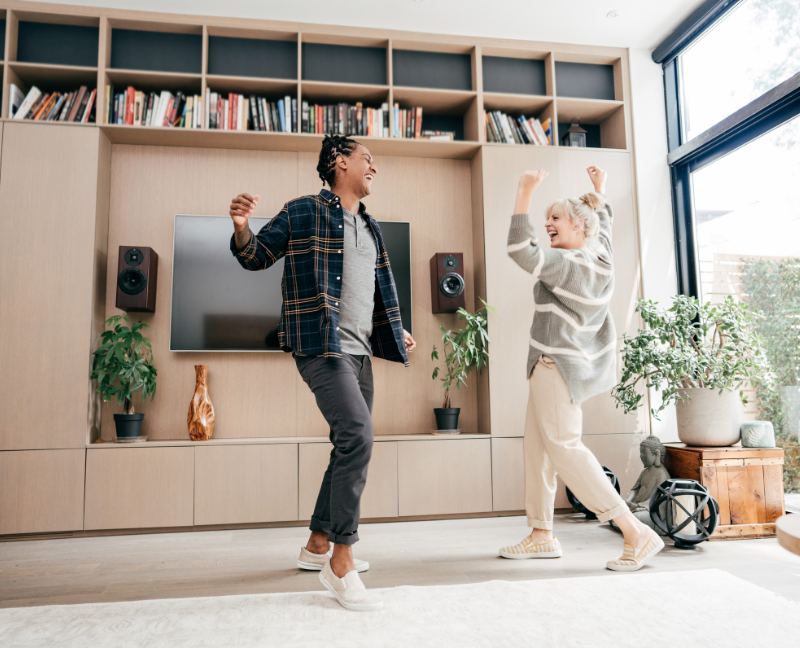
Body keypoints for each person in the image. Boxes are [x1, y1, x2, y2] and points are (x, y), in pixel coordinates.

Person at [229, 134, 416, 610]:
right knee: (359, 436)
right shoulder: (303, 211)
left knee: (346, 443)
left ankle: (316, 543)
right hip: (320, 347)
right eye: (366, 159)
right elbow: (256, 257)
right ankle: (341, 562)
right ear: (339, 161)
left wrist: (396, 330)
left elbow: (370, 295)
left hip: (359, 354)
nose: (373, 167)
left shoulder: (370, 229)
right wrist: (241, 227)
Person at [498, 166, 664, 572]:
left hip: (556, 366)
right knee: (538, 450)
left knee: (565, 448)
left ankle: (634, 531)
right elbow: (603, 226)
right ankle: (541, 535)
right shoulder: (600, 256)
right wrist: (600, 192)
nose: (547, 224)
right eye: (546, 217)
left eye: (555, 218)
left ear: (576, 225)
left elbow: (521, 251)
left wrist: (524, 191)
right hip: (555, 366)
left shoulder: (566, 265)